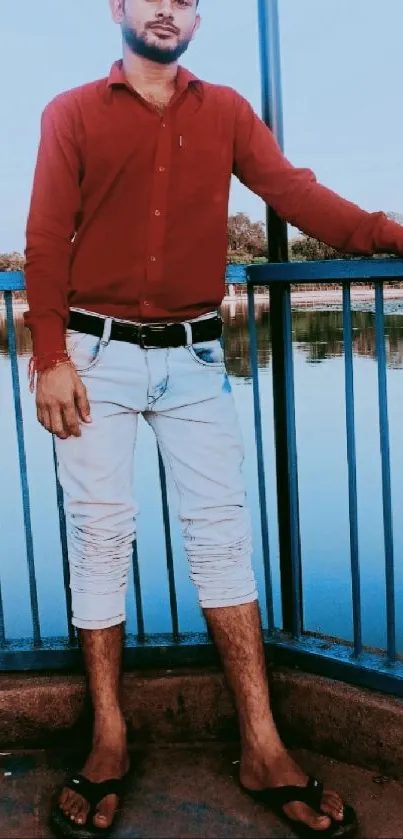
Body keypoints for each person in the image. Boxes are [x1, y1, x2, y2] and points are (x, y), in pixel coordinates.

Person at [24, 1, 403, 837]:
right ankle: (109, 738)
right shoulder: (71, 112)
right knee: (98, 536)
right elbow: (47, 238)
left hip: (197, 360)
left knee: (223, 536)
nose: (168, 8)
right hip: (93, 356)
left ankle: (262, 742)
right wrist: (49, 354)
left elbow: (296, 195)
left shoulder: (226, 110)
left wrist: (385, 233)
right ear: (118, 8)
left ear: (195, 15)